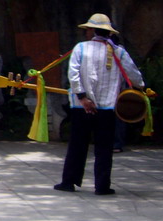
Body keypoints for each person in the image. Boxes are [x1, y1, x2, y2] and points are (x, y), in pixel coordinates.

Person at [54, 13, 144, 196]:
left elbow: (73, 75)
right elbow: (134, 76)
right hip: (108, 108)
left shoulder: (80, 49)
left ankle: (69, 181)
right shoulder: (119, 51)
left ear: (92, 31)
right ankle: (102, 186)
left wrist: (83, 97)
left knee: (77, 145)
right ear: (108, 33)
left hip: (81, 107)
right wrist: (142, 88)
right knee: (104, 148)